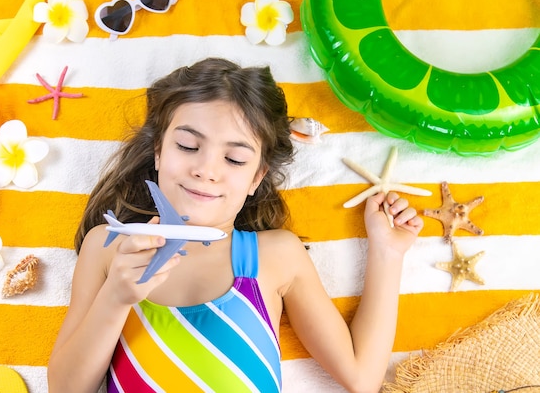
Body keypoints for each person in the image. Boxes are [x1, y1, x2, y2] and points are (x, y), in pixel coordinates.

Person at [47, 57, 424, 393]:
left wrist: (388, 253)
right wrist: (116, 296)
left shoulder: (276, 255)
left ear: (257, 178)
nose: (206, 170)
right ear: (158, 152)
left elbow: (361, 377)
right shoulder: (109, 245)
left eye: (235, 159)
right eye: (188, 147)